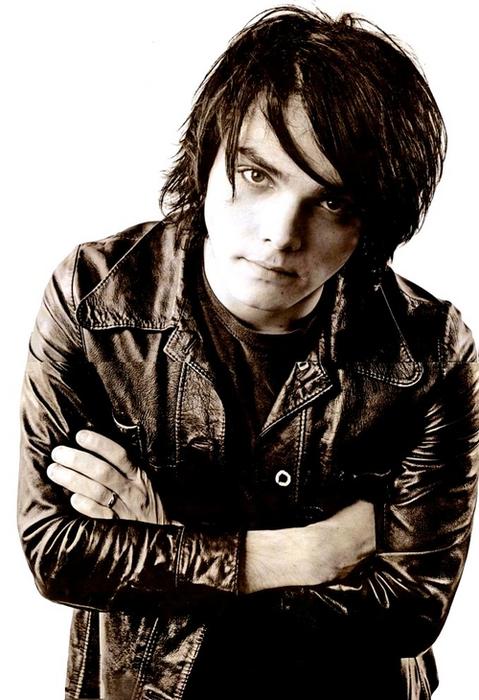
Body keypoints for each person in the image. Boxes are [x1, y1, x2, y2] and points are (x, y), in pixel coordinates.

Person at [18, 6, 479, 700]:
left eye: (332, 204)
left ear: (371, 226)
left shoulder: (429, 353)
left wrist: (169, 541)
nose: (281, 234)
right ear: (205, 160)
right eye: (257, 176)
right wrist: (306, 553)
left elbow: (407, 613)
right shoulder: (97, 297)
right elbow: (58, 554)